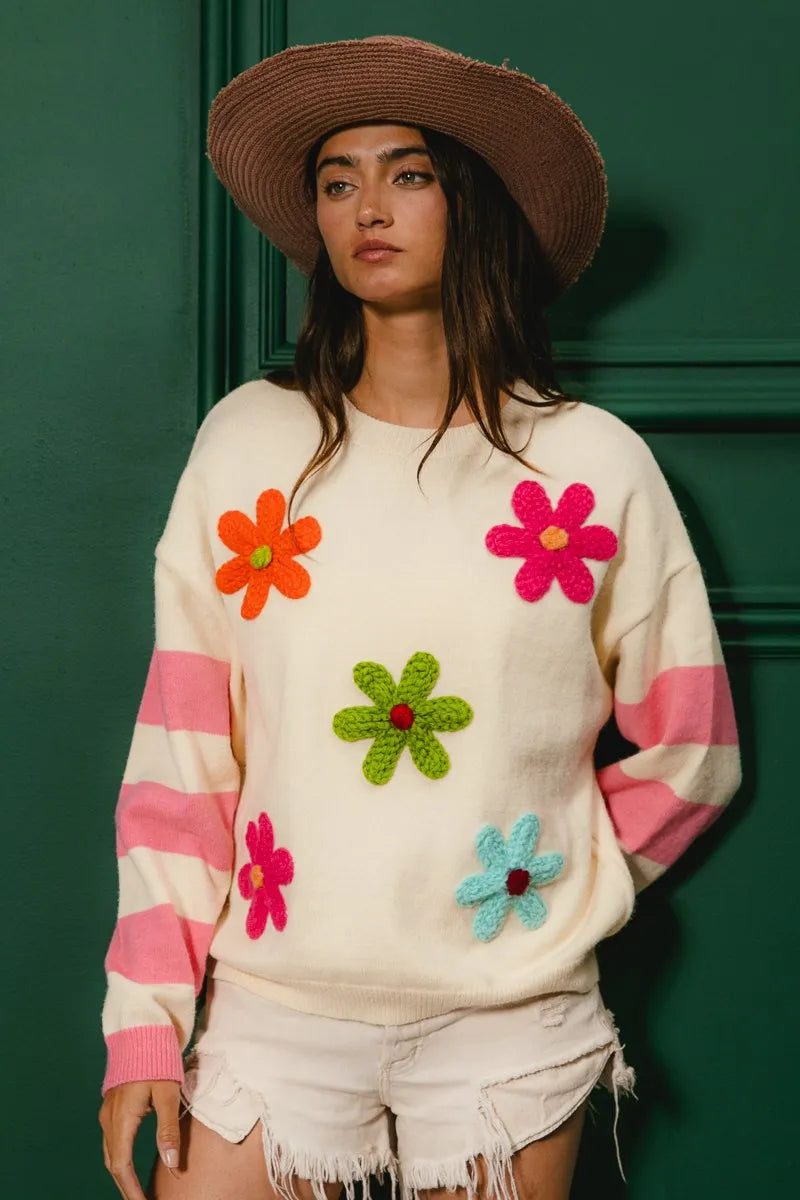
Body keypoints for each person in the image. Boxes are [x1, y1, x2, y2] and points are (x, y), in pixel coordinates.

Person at [97, 34, 742, 1200]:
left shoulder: (590, 470)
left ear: (474, 204)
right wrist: (143, 1022)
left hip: (509, 1018)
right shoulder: (249, 446)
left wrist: (557, 886)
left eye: (407, 174)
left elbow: (692, 747)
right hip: (272, 1000)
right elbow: (181, 763)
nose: (365, 208)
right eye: (336, 181)